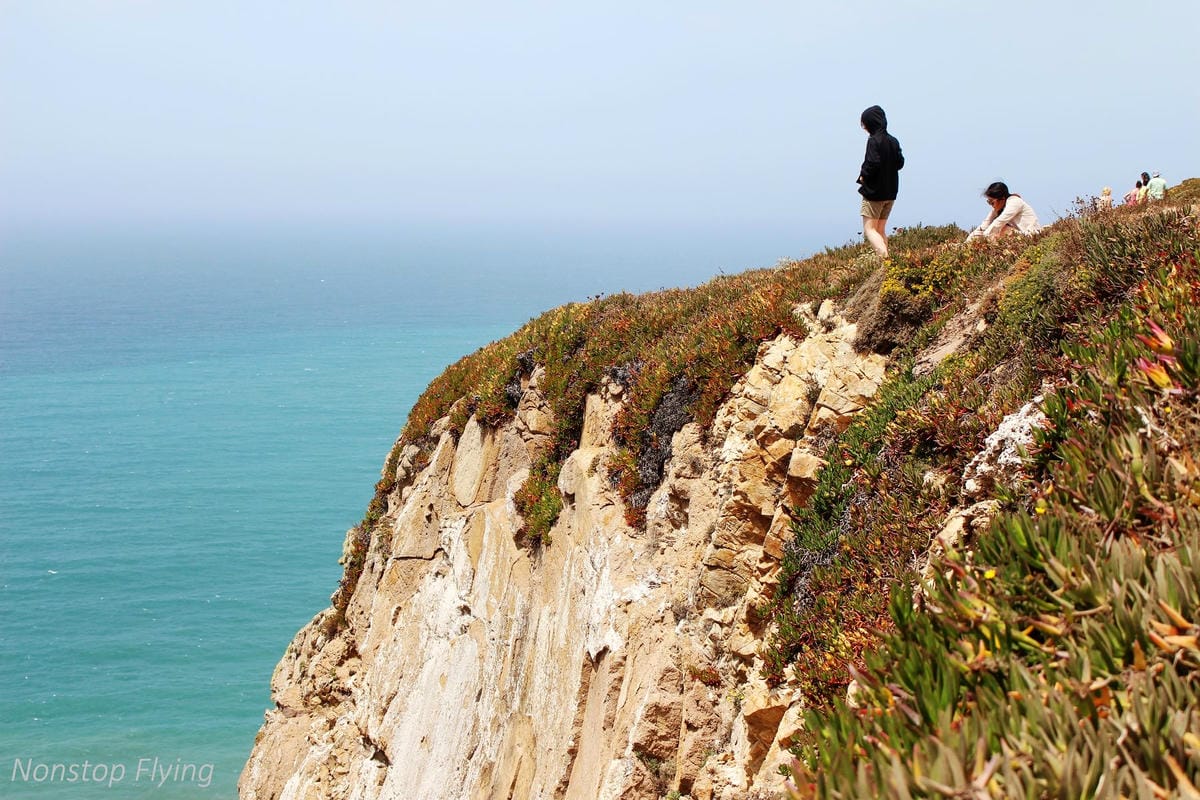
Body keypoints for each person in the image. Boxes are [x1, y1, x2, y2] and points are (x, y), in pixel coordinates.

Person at [856, 105, 904, 259]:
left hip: (874, 193)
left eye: (864, 123)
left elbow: (872, 163)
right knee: (880, 229)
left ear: (870, 123)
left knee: (869, 229)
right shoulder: (893, 141)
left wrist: (863, 176)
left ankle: (886, 261)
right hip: (891, 192)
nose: (863, 127)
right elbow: (900, 163)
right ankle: (885, 262)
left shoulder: (873, 141)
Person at [965, 182, 1043, 240]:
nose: (991, 205)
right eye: (988, 202)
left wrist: (983, 239)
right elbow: (984, 226)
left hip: (1031, 236)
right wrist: (967, 242)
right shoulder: (998, 208)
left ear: (1002, 199)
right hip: (1019, 236)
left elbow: (1000, 222)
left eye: (992, 202)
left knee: (1002, 229)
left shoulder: (1014, 202)